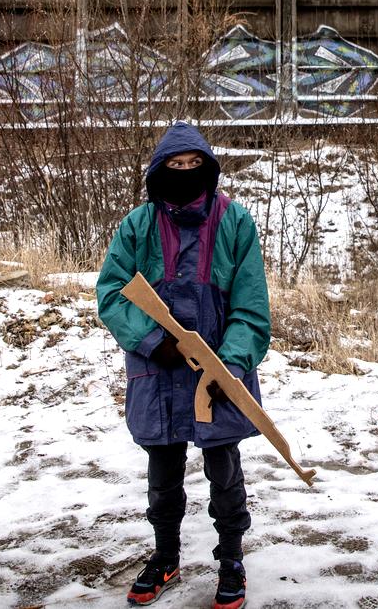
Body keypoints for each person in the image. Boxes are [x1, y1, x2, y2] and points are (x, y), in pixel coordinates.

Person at [96, 122, 271, 609]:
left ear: (209, 169)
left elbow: (251, 307)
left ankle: (231, 559)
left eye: (195, 165)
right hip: (157, 371)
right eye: (176, 165)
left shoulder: (235, 222)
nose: (186, 172)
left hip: (218, 372)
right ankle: (165, 556)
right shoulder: (137, 226)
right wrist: (154, 342)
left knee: (225, 471)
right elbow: (112, 293)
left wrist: (227, 368)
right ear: (159, 171)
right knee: (162, 474)